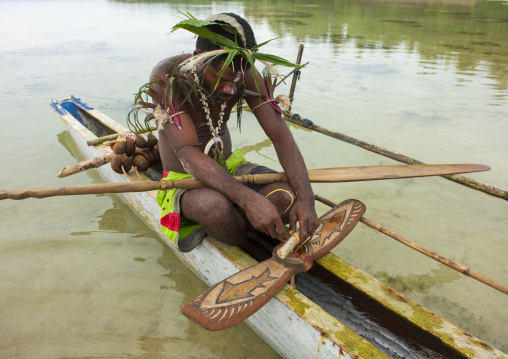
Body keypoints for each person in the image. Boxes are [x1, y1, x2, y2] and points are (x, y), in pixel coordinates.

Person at [141, 13, 319, 254]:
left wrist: (307, 198)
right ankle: (251, 247)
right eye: (221, 79)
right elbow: (187, 153)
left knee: (286, 197)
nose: (230, 89)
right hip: (185, 179)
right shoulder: (168, 75)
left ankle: (232, 225)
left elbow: (280, 136)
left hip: (231, 168)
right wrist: (249, 200)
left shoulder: (246, 74)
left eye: (236, 81)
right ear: (197, 59)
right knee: (214, 208)